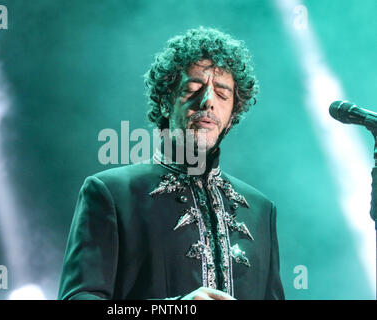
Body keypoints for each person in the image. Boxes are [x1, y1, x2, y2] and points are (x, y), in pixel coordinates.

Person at [58, 27, 285, 300]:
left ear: (233, 113)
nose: (208, 101)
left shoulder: (261, 210)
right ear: (165, 102)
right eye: (192, 89)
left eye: (223, 94)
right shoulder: (110, 193)